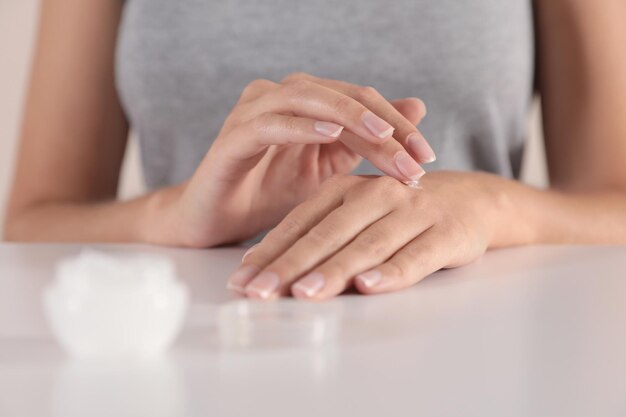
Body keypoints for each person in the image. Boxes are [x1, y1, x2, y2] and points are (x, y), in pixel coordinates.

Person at [4, 1, 626, 301]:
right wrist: (172, 217)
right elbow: (33, 221)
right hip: (198, 360)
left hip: (472, 362)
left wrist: (487, 209)